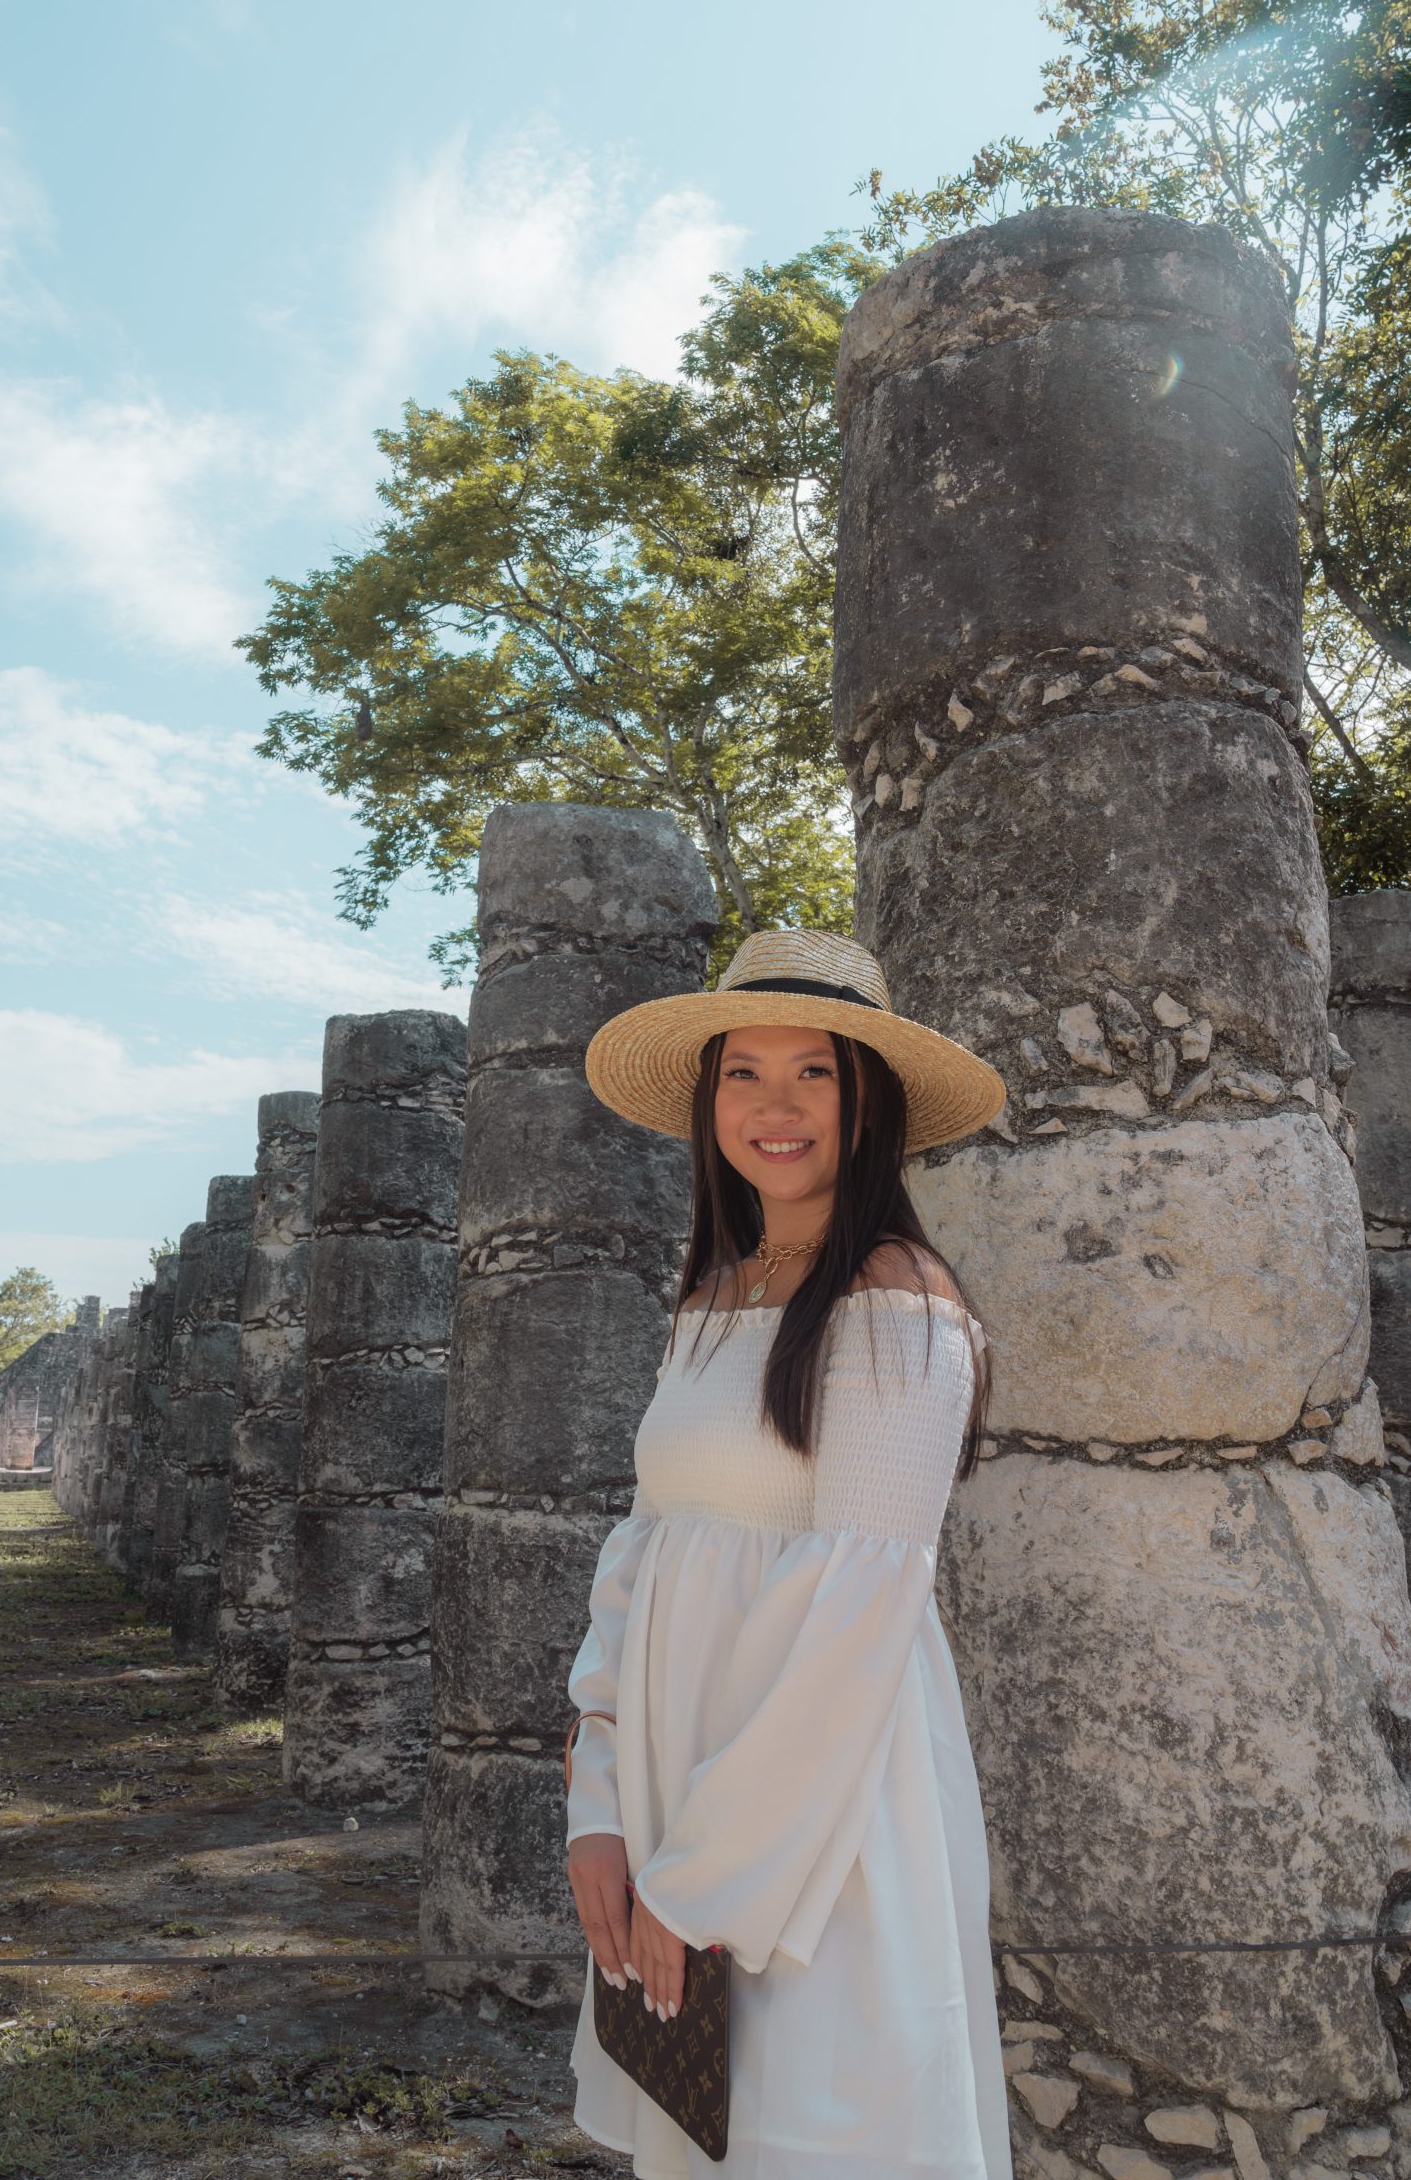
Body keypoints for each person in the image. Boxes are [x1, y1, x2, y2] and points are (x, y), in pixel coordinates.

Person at [565, 926, 1012, 2180]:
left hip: (812, 1829)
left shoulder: (896, 1300)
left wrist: (705, 1878)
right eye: (741, 1072)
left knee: (820, 2136)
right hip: (670, 1796)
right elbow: (640, 1560)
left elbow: (858, 1609)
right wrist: (598, 1810)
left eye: (812, 1071)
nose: (773, 1105)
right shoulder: (711, 1296)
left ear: (866, 1101)